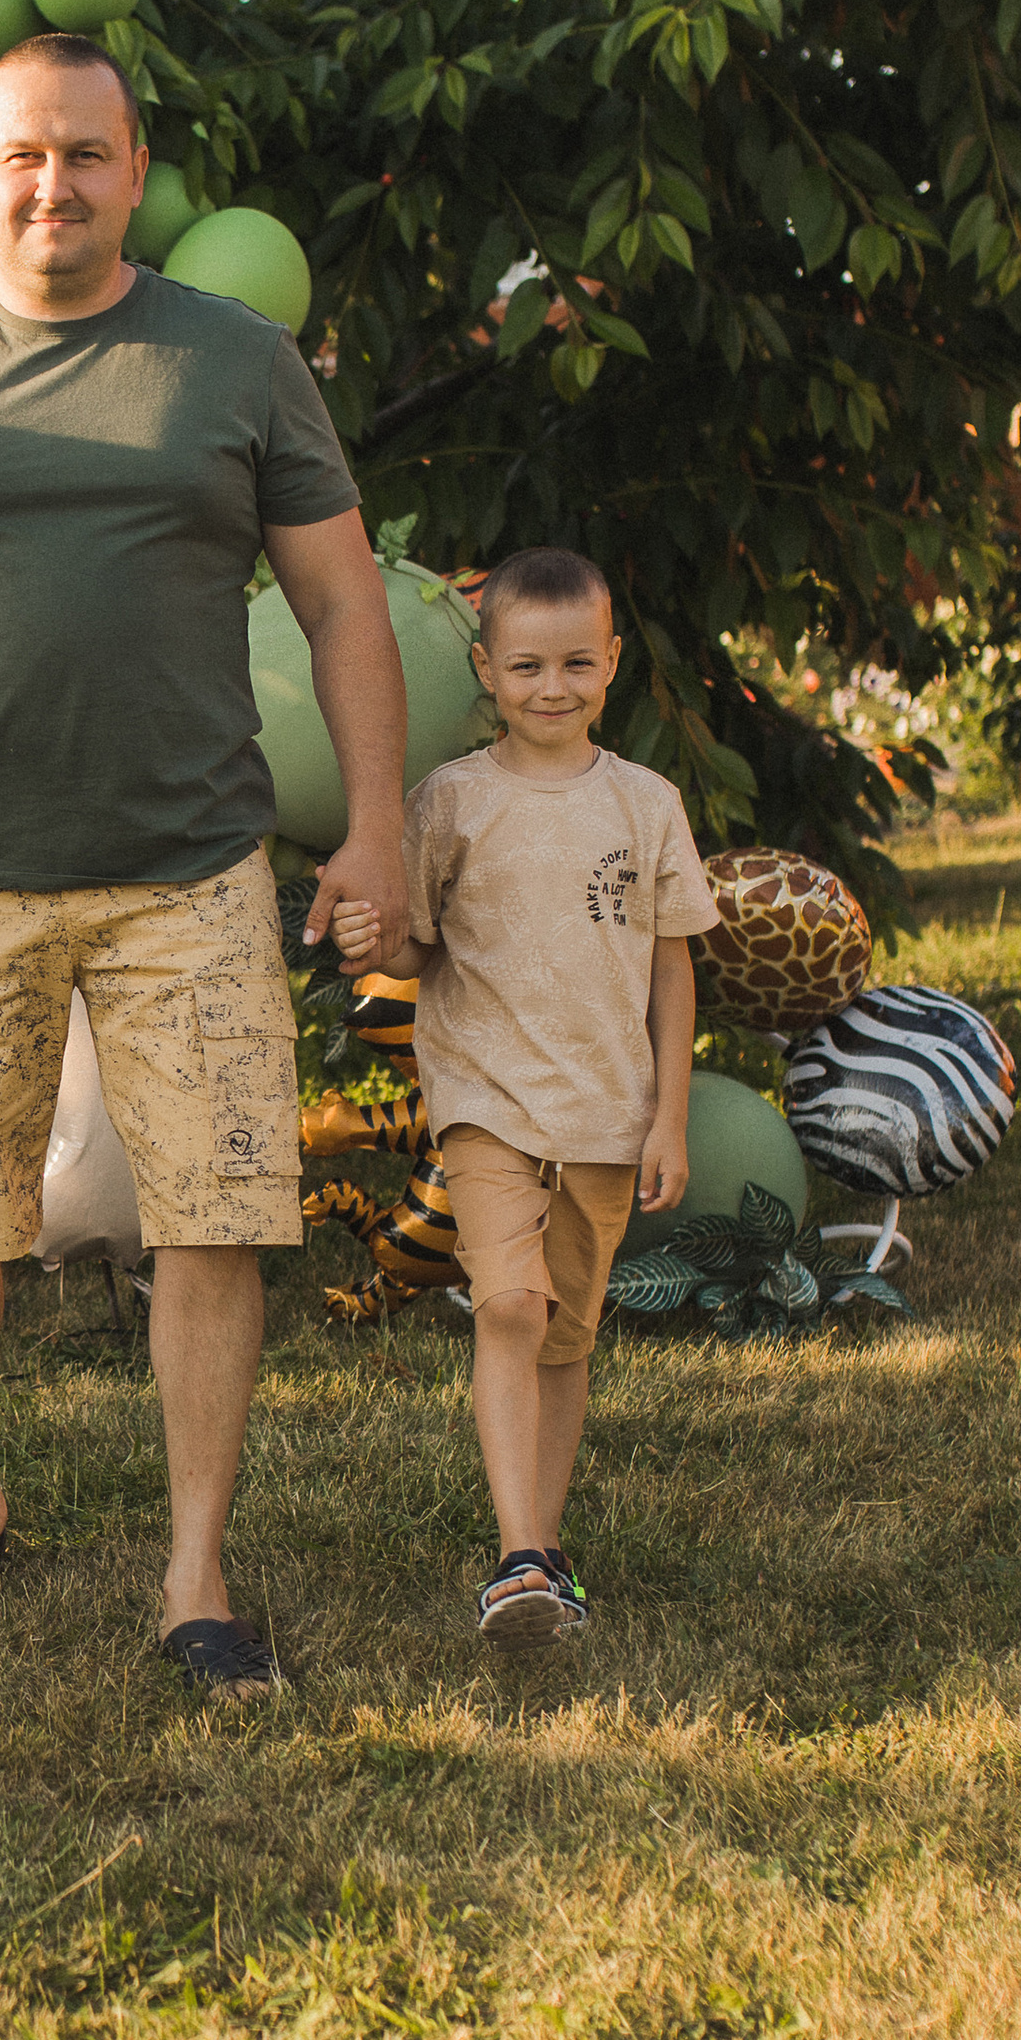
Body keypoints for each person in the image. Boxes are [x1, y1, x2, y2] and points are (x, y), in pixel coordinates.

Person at [0, 30, 410, 1702]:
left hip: (192, 869)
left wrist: (381, 821)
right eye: (21, 155)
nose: (53, 186)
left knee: (215, 1212)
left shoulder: (238, 363)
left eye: (85, 156)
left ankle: (197, 1572)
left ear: (133, 170)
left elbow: (341, 602)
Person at [339, 544, 716, 1644]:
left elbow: (672, 966)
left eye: (575, 665)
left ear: (610, 667)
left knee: (565, 1335)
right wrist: (377, 932)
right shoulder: (448, 801)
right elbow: (409, 952)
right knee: (507, 1305)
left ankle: (545, 1555)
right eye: (525, 667)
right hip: (486, 1100)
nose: (551, 688)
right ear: (484, 669)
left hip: (607, 1106)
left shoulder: (645, 804)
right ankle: (512, 1557)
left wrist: (671, 1115)